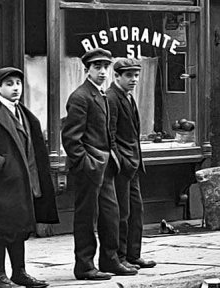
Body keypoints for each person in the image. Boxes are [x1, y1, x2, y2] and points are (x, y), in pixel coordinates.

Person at [0, 67, 59, 288]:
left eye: (18, 83)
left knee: (20, 229)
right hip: (2, 186)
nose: (15, 88)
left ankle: (19, 273)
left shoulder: (25, 114)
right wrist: (5, 166)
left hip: (24, 185)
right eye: (9, 84)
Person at [61, 48, 138, 280]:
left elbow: (107, 132)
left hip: (105, 167)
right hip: (89, 168)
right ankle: (84, 265)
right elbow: (71, 138)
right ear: (87, 70)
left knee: (111, 214)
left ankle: (110, 260)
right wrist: (86, 163)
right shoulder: (80, 96)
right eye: (97, 67)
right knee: (86, 217)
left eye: (105, 67)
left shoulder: (101, 95)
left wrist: (110, 159)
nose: (103, 72)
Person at [107, 58, 156, 270]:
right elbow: (110, 136)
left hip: (133, 164)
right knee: (122, 213)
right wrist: (121, 161)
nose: (134, 79)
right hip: (122, 167)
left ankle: (133, 255)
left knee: (136, 211)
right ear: (116, 76)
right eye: (129, 75)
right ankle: (120, 257)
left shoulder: (127, 97)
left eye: (136, 75)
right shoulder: (112, 98)